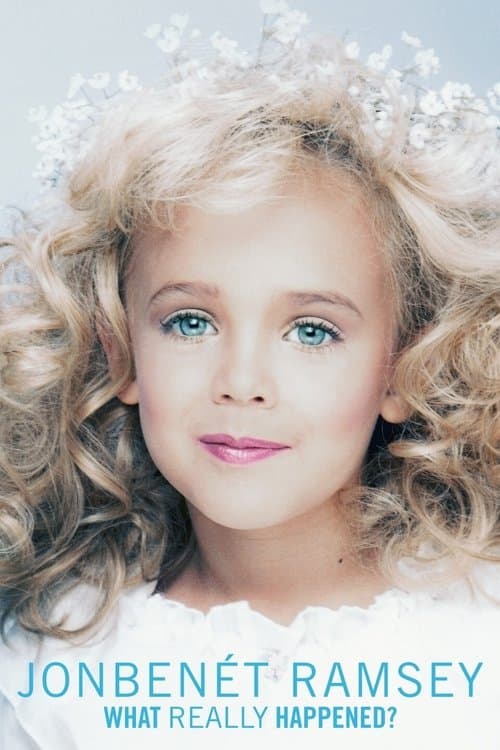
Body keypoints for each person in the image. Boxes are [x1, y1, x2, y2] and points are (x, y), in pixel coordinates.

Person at [0, 4, 498, 748]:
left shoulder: (481, 643)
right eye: (190, 322)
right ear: (121, 351)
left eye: (312, 331)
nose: (241, 381)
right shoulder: (54, 667)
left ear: (403, 366)